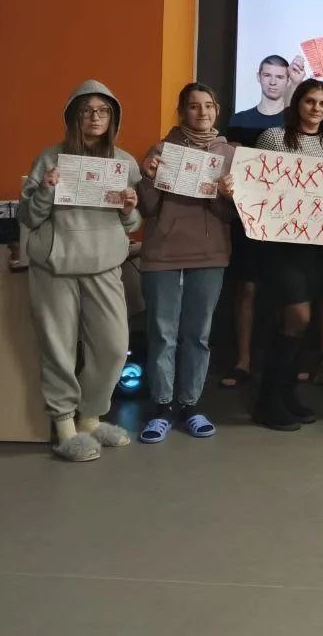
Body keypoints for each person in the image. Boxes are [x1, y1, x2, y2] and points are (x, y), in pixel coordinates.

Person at [19, 80, 142, 461]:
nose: (95, 117)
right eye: (86, 110)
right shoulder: (49, 158)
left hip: (104, 263)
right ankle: (64, 427)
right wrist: (46, 190)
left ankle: (90, 418)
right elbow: (28, 216)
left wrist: (128, 209)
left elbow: (131, 222)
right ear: (73, 115)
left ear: (113, 117)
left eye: (103, 111)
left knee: (113, 346)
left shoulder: (124, 162)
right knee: (58, 346)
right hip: (56, 264)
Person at [135, 82, 236, 443]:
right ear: (182, 112)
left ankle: (190, 405)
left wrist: (225, 196)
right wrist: (149, 178)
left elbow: (231, 216)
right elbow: (147, 208)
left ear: (217, 110)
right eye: (194, 106)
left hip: (210, 254)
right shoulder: (162, 150)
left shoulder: (230, 154)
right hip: (162, 253)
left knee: (198, 334)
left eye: (208, 105)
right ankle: (161, 407)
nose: (202, 112)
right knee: (162, 333)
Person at [251, 80, 323, 431]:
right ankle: (267, 401)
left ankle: (287, 394)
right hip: (280, 246)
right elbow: (257, 185)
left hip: (317, 248)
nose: (316, 109)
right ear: (297, 103)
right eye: (310, 101)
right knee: (296, 317)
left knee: (304, 322)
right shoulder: (274, 138)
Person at [220, 54, 290, 391]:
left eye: (280, 76)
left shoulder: (292, 121)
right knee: (245, 289)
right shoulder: (240, 119)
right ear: (259, 77)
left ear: (288, 80)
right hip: (246, 217)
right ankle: (243, 360)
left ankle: (279, 362)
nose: (273, 81)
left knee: (284, 292)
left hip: (286, 219)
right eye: (268, 75)